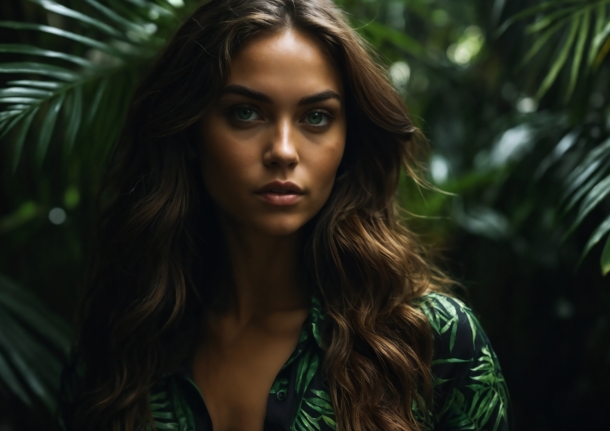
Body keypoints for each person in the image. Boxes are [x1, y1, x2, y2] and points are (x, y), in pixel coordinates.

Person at [63, 0, 511, 430]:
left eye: (316, 117)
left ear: (348, 141)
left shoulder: (434, 343)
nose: (282, 150)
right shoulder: (117, 347)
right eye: (246, 113)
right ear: (190, 132)